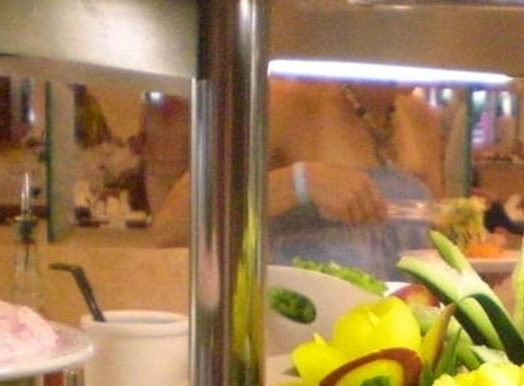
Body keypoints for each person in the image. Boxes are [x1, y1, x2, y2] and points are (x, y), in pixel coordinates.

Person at [151, 78, 444, 281]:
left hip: (402, 338)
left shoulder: (421, 118)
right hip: (293, 336)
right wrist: (299, 183)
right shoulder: (284, 100)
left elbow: (439, 237)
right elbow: (171, 226)